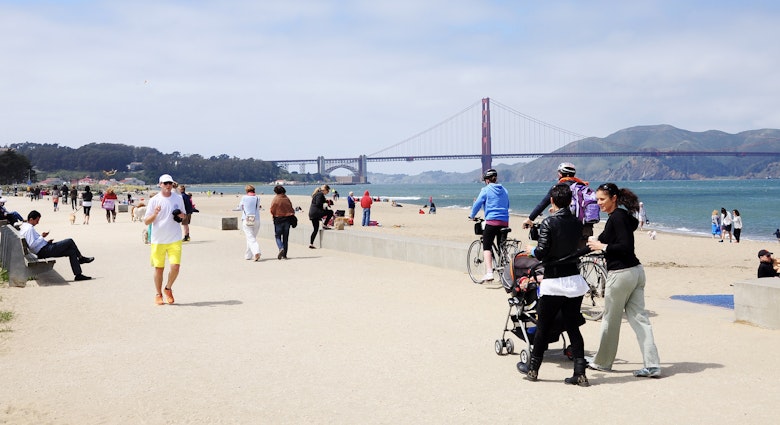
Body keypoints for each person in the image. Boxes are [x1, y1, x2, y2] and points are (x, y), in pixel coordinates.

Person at [516, 183, 590, 386]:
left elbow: (541, 253)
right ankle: (580, 372)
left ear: (552, 201)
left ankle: (533, 370)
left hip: (553, 282)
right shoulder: (576, 222)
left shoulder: (549, 222)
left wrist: (530, 250)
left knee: (543, 327)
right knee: (573, 327)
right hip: (574, 281)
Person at [586, 183, 661, 378]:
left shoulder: (617, 217)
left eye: (602, 199)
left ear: (614, 198)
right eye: (597, 199)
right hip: (636, 272)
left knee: (610, 320)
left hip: (621, 275)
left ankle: (602, 362)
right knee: (640, 320)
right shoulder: (623, 217)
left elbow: (624, 246)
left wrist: (603, 246)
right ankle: (652, 365)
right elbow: (614, 237)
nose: (599, 203)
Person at [523, 162, 593, 249]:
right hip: (586, 229)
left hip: (567, 229)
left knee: (557, 253)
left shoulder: (559, 187)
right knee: (575, 256)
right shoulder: (582, 186)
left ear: (560, 174)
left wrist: (530, 219)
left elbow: (543, 204)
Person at [144, 174, 187, 305]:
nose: (168, 185)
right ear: (160, 184)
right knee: (159, 268)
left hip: (174, 237)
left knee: (175, 267)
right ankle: (158, 294)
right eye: (165, 183)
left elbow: (184, 216)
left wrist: (181, 215)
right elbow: (146, 221)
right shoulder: (154, 200)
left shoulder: (178, 198)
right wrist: (155, 214)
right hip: (158, 239)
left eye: (170, 183)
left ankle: (168, 288)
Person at [19, 210, 94, 281]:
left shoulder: (25, 227)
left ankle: (78, 275)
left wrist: (46, 242)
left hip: (44, 248)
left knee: (72, 252)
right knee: (69, 241)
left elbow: (33, 243)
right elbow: (32, 245)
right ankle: (81, 258)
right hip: (44, 251)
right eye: (37, 220)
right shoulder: (29, 229)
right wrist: (42, 237)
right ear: (31, 219)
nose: (38, 223)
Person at [468, 168, 510, 283]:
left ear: (487, 180)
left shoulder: (485, 190)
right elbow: (507, 204)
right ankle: (505, 272)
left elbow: (477, 204)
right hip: (504, 222)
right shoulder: (505, 190)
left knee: (486, 246)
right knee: (502, 246)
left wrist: (472, 215)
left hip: (492, 222)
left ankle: (489, 273)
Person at [270, 184, 295, 260]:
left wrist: (274, 214)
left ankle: (281, 247)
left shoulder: (275, 199)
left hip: (278, 219)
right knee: (285, 237)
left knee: (277, 236)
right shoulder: (287, 198)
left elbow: (272, 209)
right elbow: (291, 209)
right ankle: (285, 255)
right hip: (287, 219)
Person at [237, 184, 262, 261]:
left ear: (247, 191)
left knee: (250, 238)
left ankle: (257, 252)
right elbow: (257, 207)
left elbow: (240, 207)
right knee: (251, 238)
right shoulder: (258, 198)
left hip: (248, 218)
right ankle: (248, 255)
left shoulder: (244, 198)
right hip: (257, 218)